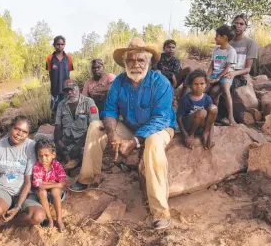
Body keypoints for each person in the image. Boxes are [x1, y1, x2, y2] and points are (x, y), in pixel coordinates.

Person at [69, 38, 177, 230]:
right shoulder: (119, 81)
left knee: (152, 142)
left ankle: (160, 211)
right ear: (125, 63)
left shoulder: (161, 82)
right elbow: (109, 111)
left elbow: (161, 118)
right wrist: (112, 135)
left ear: (149, 62)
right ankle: (88, 178)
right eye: (131, 60)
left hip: (160, 127)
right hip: (130, 126)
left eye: (141, 60)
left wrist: (133, 142)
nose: (136, 64)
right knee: (95, 127)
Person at [0, 115, 46, 246]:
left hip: (25, 192)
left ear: (28, 134)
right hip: (4, 188)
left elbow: (28, 181)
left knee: (38, 216)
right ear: (11, 127)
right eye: (17, 129)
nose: (19, 134)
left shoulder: (31, 147)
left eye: (24, 132)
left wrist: (18, 206)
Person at [54, 79, 100, 170]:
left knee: (86, 153)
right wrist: (58, 142)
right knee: (47, 147)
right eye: (67, 90)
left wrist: (78, 146)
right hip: (66, 139)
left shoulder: (88, 102)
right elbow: (58, 126)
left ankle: (78, 165)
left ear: (78, 89)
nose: (70, 92)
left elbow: (94, 127)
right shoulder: (61, 105)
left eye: (72, 89)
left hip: (84, 139)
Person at [177, 69, 218, 149]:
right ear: (190, 85)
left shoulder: (207, 98)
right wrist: (186, 136)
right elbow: (178, 118)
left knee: (214, 108)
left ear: (206, 84)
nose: (199, 86)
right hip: (189, 126)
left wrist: (210, 136)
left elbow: (211, 120)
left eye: (202, 83)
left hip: (201, 128)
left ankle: (204, 133)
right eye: (196, 84)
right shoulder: (185, 99)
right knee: (202, 112)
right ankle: (192, 134)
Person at [32, 139, 66, 232]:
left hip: (56, 193)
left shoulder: (57, 165)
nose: (44, 159)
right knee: (42, 192)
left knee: (55, 190)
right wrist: (55, 183)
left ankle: (59, 219)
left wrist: (45, 184)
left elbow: (63, 184)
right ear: (37, 156)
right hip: (42, 194)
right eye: (40, 156)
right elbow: (38, 185)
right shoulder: (37, 166)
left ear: (53, 155)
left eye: (46, 155)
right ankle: (50, 219)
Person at [207, 25, 238, 126]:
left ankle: (230, 117)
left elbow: (227, 68)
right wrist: (207, 77)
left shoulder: (231, 51)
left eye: (217, 36)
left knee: (225, 88)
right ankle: (213, 116)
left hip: (225, 74)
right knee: (210, 90)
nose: (215, 38)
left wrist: (218, 78)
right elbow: (212, 65)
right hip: (215, 73)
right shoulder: (216, 50)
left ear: (224, 37)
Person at [225, 14, 258, 84]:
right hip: (226, 73)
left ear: (245, 27)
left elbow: (247, 69)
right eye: (236, 23)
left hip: (241, 76)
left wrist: (234, 73)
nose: (238, 26)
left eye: (241, 24)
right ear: (232, 25)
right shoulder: (227, 43)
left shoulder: (250, 43)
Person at [46, 35, 74, 112]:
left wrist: (70, 88)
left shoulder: (69, 57)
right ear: (54, 45)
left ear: (64, 45)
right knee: (55, 110)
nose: (60, 46)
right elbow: (50, 73)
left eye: (62, 44)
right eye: (58, 44)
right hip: (55, 89)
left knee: (66, 110)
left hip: (66, 89)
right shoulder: (49, 58)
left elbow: (69, 73)